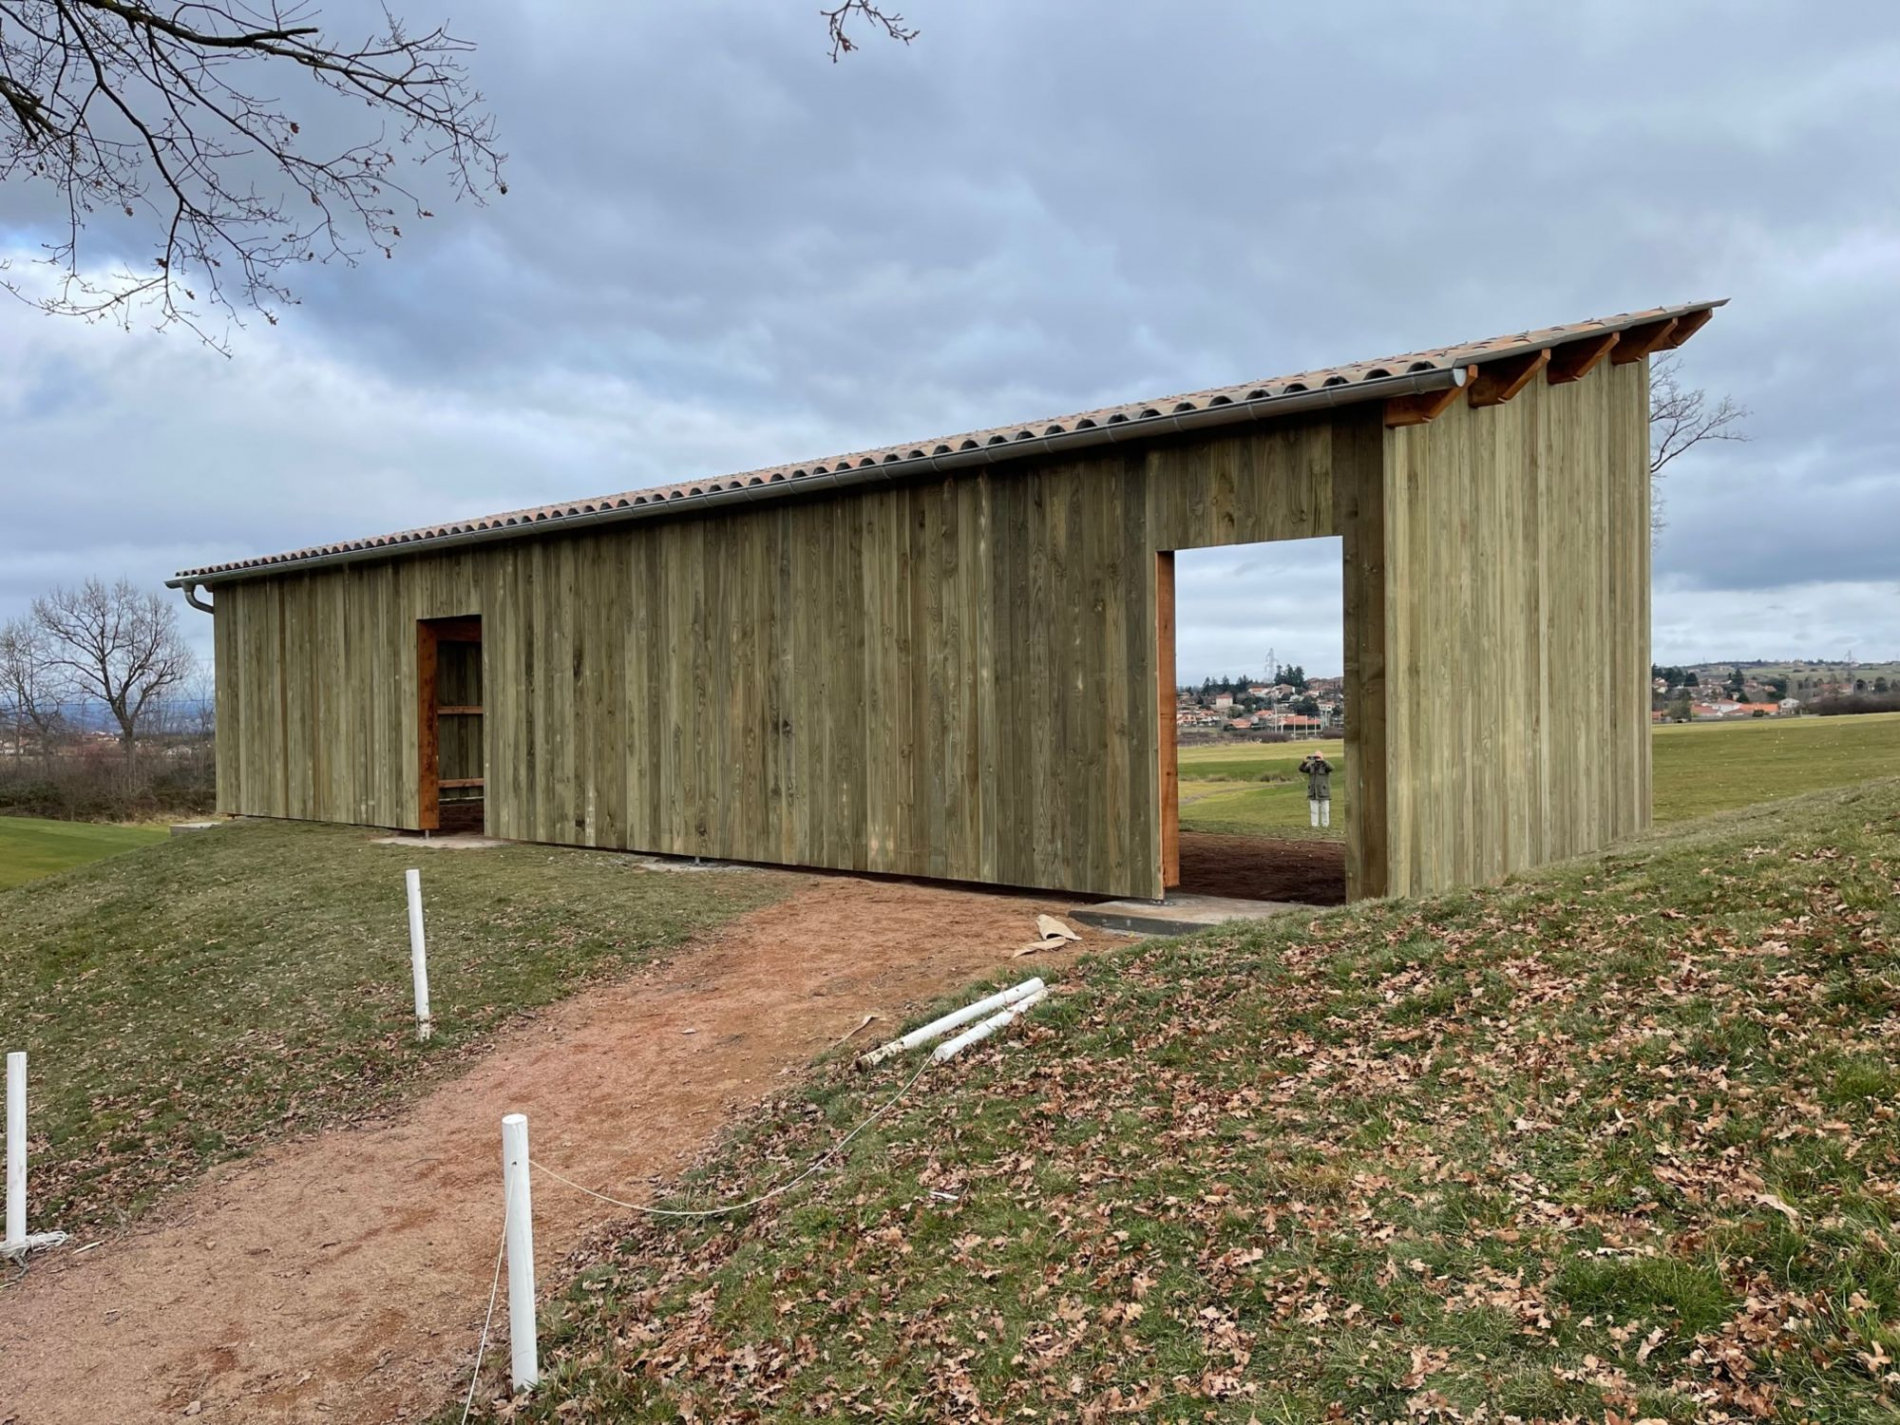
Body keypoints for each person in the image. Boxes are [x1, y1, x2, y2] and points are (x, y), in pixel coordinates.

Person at [1299, 751, 1333, 829]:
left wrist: (1323, 760)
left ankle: (1325, 825)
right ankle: (1314, 825)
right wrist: (1304, 762)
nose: (1316, 758)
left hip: (1323, 792)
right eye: (1315, 757)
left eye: (1318, 757)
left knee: (1325, 810)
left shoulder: (1325, 766)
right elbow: (1302, 769)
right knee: (1314, 811)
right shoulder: (1311, 766)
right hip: (1313, 792)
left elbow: (1331, 768)